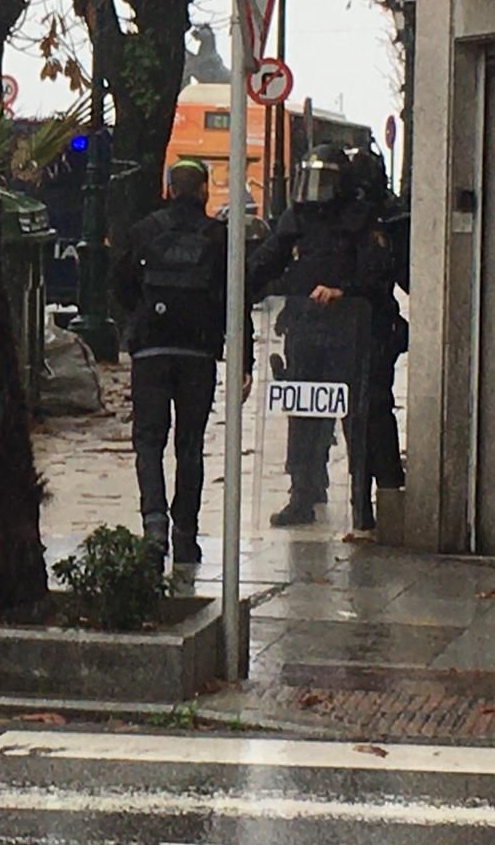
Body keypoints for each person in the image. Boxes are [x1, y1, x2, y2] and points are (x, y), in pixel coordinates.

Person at [248, 143, 407, 529]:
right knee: (304, 412)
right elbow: (268, 258)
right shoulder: (299, 216)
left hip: (358, 334)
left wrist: (345, 291)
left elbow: (379, 271)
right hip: (307, 328)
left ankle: (371, 500)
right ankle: (303, 492)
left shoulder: (363, 217)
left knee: (366, 415)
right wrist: (246, 283)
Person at [114, 158, 250, 573]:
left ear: (171, 189)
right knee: (190, 445)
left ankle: (153, 525)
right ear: (205, 191)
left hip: (151, 352)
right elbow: (236, 300)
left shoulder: (143, 231)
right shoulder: (219, 237)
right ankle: (185, 534)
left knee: (149, 442)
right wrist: (244, 359)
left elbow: (119, 286)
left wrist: (138, 325)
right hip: (199, 353)